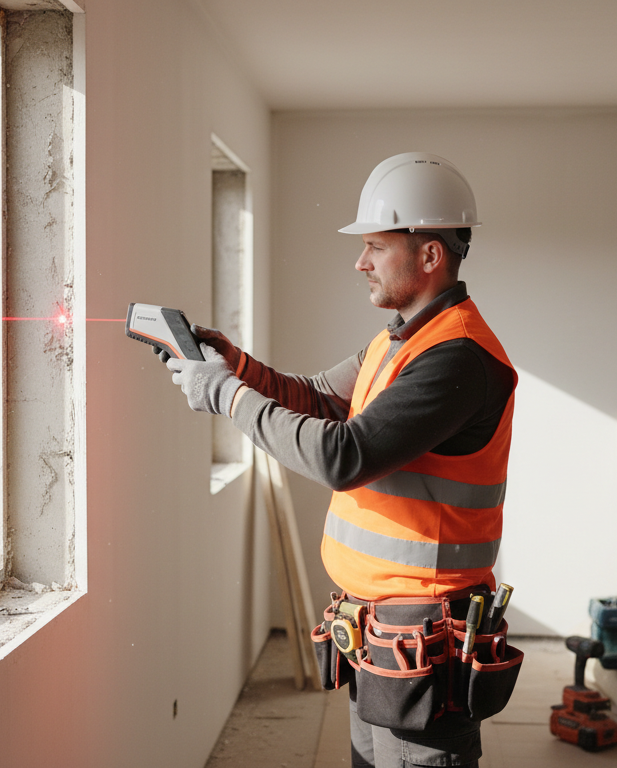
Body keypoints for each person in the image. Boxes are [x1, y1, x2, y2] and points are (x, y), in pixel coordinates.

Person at [165, 152, 517, 768]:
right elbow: (322, 397)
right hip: (379, 639)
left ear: (430, 255)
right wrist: (237, 366)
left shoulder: (458, 359)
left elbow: (342, 456)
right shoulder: (401, 338)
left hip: (424, 641)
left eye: (376, 247)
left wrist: (223, 394)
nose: (361, 262)